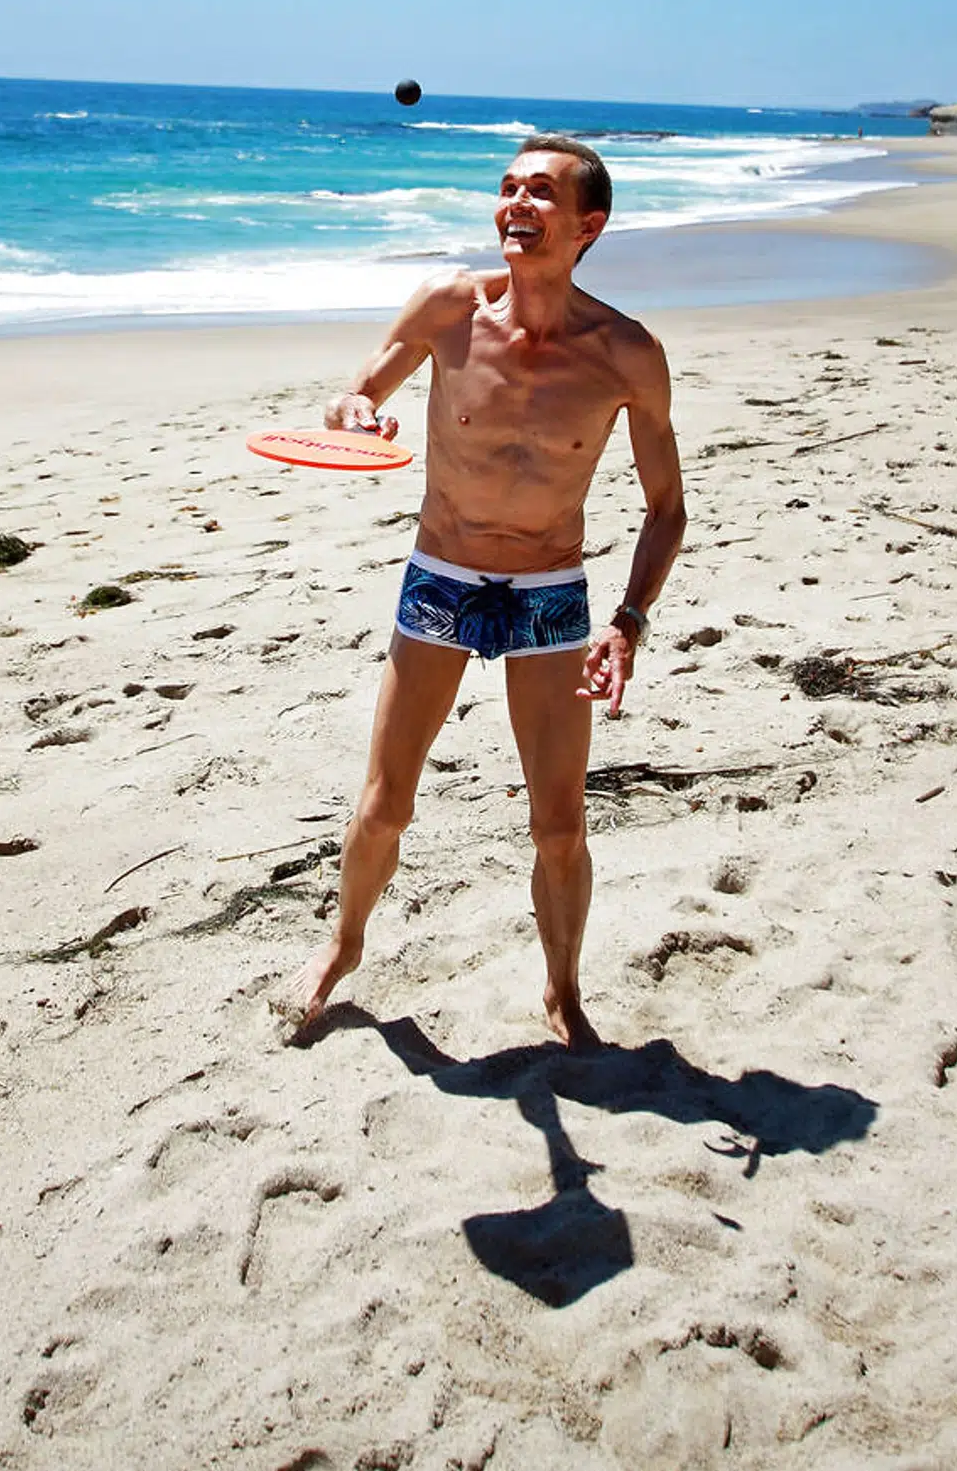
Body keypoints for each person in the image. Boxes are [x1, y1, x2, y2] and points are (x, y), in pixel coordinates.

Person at [284, 134, 686, 1049]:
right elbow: (352, 396)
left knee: (560, 827)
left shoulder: (626, 353)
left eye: (540, 192)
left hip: (549, 593)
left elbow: (667, 508)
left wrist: (629, 621)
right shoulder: (448, 307)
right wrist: (352, 411)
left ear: (588, 225)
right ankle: (343, 946)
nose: (516, 204)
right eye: (508, 187)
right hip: (443, 578)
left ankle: (563, 992)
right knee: (385, 804)